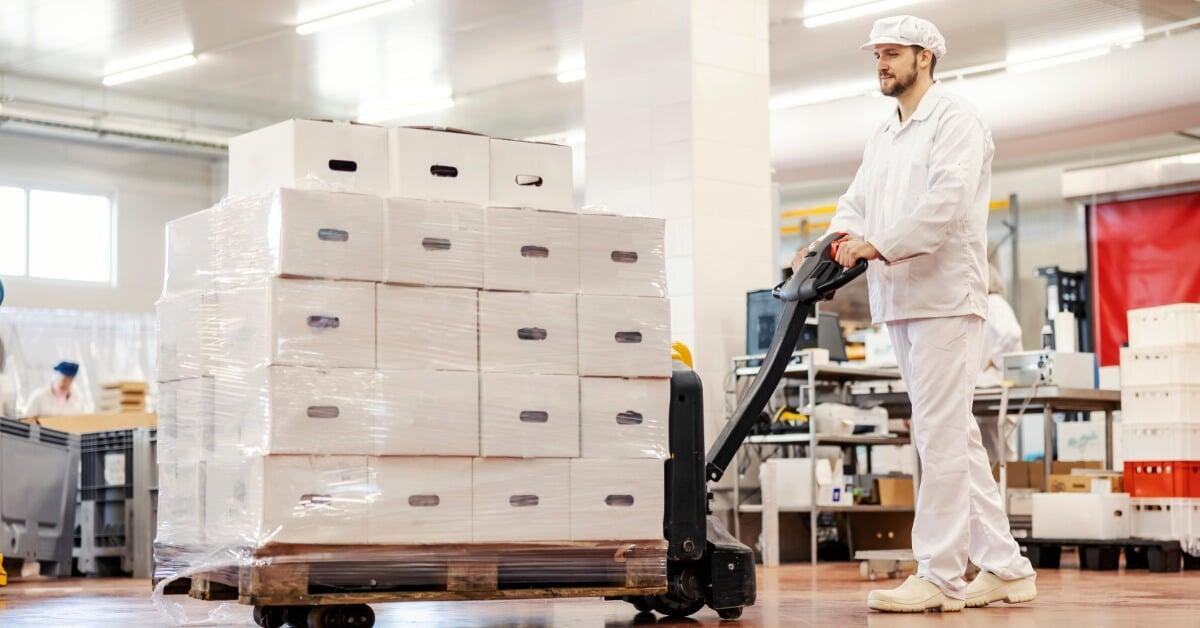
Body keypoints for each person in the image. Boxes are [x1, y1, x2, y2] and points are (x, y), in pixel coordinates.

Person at [793, 15, 1036, 612]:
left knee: (939, 436)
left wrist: (879, 243)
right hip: (901, 302)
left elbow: (947, 204)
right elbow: (856, 202)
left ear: (925, 57)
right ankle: (1006, 567)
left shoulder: (956, 120)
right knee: (950, 436)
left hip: (946, 299)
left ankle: (941, 574)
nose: (882, 63)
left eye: (892, 53)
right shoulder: (885, 135)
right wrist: (827, 244)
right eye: (877, 53)